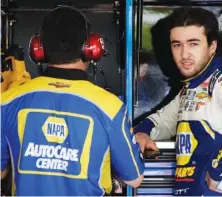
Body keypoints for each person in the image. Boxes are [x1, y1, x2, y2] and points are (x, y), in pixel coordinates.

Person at [1, 6, 144, 196]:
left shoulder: (7, 101)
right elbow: (134, 179)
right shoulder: (111, 107)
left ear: (38, 49)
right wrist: (137, 142)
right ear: (92, 48)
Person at [134, 7, 222, 196]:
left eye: (193, 44)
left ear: (212, 47)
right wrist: (142, 133)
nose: (184, 54)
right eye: (177, 45)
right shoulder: (191, 88)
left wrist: (217, 171)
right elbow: (162, 121)